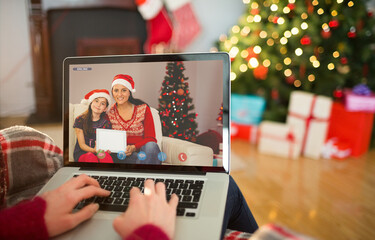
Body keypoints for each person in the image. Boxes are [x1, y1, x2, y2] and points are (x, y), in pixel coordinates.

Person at [107, 74, 161, 165]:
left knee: (151, 146)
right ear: (112, 92)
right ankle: (147, 176)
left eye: (124, 90)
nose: (119, 94)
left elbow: (150, 138)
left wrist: (133, 147)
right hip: (121, 156)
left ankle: (141, 175)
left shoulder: (143, 109)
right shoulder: (108, 112)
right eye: (116, 90)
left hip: (143, 153)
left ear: (129, 92)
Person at [73, 89, 113, 163]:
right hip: (83, 152)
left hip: (99, 151)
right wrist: (94, 150)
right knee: (90, 156)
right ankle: (92, 174)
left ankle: (108, 173)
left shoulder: (106, 123)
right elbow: (82, 145)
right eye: (96, 101)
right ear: (91, 103)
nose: (98, 105)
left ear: (105, 109)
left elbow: (106, 143)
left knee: (105, 156)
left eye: (102, 103)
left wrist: (107, 149)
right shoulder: (80, 120)